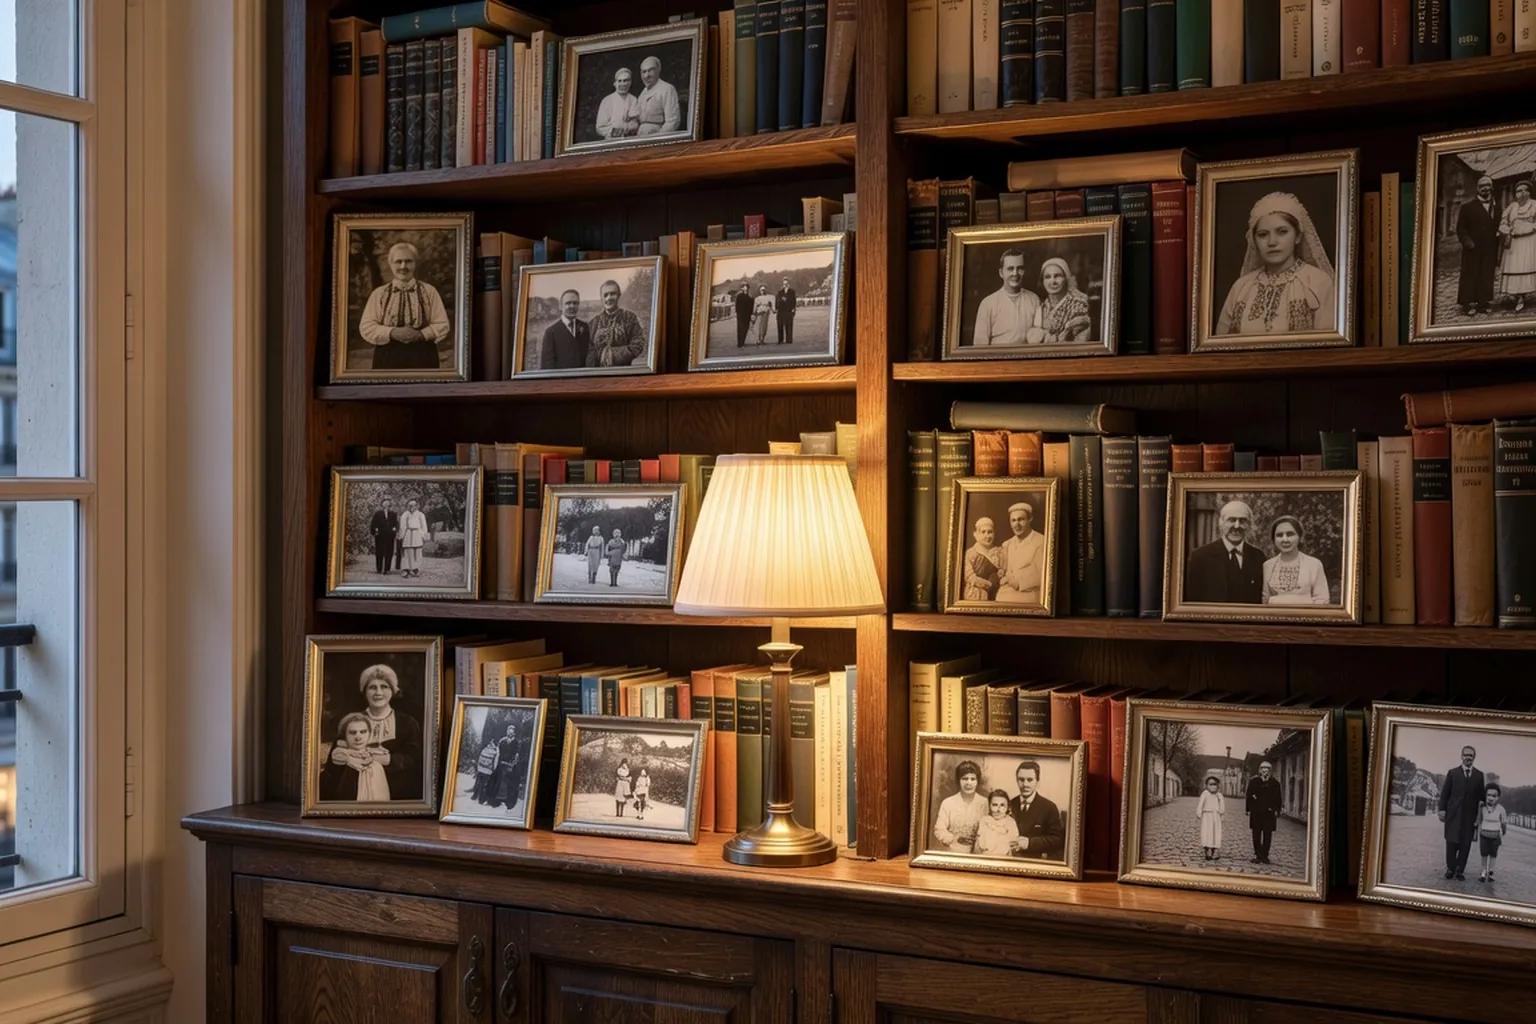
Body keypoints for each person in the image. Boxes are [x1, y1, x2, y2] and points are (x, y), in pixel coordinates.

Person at [1215, 192, 1336, 336]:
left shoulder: (1318, 282)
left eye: (1282, 232)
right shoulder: (1241, 287)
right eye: (1263, 234)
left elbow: (1329, 346)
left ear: (1297, 236)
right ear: (1254, 240)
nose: (1272, 242)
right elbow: (1221, 345)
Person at [329, 663, 424, 801]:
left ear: (393, 690)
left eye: (384, 687)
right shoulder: (352, 721)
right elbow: (332, 767)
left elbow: (416, 760)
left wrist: (391, 760)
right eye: (372, 687)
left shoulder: (407, 723)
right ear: (365, 691)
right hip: (354, 797)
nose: (378, 693)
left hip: (398, 798)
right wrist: (341, 758)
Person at [358, 241, 451, 370]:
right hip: (387, 356)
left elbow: (442, 324)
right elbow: (366, 327)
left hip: (423, 356)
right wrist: (392, 332)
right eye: (398, 261)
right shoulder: (379, 294)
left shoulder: (429, 291)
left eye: (408, 261)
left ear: (415, 263)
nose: (403, 266)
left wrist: (421, 334)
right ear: (390, 264)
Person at [1184, 500, 1266, 604]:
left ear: (1249, 525)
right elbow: (1192, 599)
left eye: (1242, 521)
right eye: (1231, 520)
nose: (1237, 526)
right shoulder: (1200, 556)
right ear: (1221, 523)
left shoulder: (1258, 557)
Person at [971, 248, 1041, 347]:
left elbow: (1038, 339)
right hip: (997, 360)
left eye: (1019, 268)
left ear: (1024, 271)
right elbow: (979, 347)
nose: (1015, 273)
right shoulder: (988, 303)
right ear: (1001, 272)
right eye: (1010, 268)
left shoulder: (1034, 299)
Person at [1456, 175, 1501, 315]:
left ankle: (1483, 302)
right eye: (1482, 186)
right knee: (1470, 274)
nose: (1485, 188)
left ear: (1491, 187)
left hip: (1490, 247)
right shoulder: (1467, 207)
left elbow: (1499, 225)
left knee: (1486, 274)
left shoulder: (1497, 206)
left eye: (1488, 185)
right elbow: (1461, 228)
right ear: (1477, 189)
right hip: (1473, 247)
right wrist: (1468, 242)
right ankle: (1467, 304)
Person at [1438, 744, 1485, 881]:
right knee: (1451, 842)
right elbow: (1444, 794)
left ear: (1474, 757)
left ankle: (1460, 870)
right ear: (1461, 756)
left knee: (1465, 844)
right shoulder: (1452, 773)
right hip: (1453, 815)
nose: (1468, 757)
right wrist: (1442, 809)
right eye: (1466, 755)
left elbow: (1481, 797)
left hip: (1469, 817)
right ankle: (1450, 868)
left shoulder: (1479, 775)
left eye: (1471, 755)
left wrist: (1480, 816)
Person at [319, 712, 390, 801]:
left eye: (363, 732)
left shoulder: (376, 760)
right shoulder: (339, 758)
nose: (358, 737)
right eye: (352, 733)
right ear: (344, 736)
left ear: (369, 734)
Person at [1262, 515, 1331, 605]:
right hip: (1275, 618)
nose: (1285, 539)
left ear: (1299, 536)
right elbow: (1265, 601)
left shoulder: (1314, 564)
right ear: (1274, 539)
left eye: (1290, 534)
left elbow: (1323, 600)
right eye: (1279, 535)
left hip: (1308, 618)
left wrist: (1277, 600)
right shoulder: (1268, 566)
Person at [1028, 257, 1093, 344]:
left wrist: (1047, 338)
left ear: (1066, 278)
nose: (1053, 281)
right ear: (1043, 282)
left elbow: (1080, 342)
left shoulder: (1078, 305)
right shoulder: (1042, 307)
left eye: (1057, 276)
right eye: (1047, 277)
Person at [1008, 760, 1064, 860]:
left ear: (1037, 781)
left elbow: (1058, 840)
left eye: (1030, 780)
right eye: (1021, 779)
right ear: (1017, 780)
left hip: (1035, 862)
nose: (1025, 784)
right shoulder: (1010, 804)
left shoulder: (1049, 807)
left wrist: (1030, 843)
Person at [994, 501, 1046, 605]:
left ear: (1030, 519)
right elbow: (1004, 572)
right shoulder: (1007, 544)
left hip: (1028, 596)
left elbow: (1043, 574)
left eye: (1021, 519)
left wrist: (1017, 582)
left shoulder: (1042, 542)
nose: (1016, 524)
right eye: (1013, 520)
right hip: (1004, 595)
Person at [587, 279, 647, 367]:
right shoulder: (593, 323)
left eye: (613, 294)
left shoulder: (630, 318)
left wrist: (612, 354)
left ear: (619, 295)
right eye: (605, 295)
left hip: (623, 371)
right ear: (601, 298)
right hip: (599, 372)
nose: (609, 298)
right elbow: (588, 350)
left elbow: (638, 344)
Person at [933, 760, 989, 852]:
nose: (968, 783)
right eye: (964, 778)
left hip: (977, 853)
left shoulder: (984, 803)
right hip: (953, 852)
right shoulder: (947, 803)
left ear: (977, 781)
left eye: (972, 779)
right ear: (958, 781)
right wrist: (955, 839)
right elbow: (939, 830)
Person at [1498, 179, 1536, 313]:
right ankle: (1519, 296)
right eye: (1519, 191)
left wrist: (1531, 227)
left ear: (1530, 192)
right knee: (1516, 267)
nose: (1522, 193)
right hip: (1514, 242)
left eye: (1525, 190)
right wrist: (1507, 230)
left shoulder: (1535, 205)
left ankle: (1527, 295)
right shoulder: (1512, 207)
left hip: (1531, 241)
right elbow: (1503, 223)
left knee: (1529, 266)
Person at [540, 289, 590, 370]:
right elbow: (547, 366)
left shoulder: (585, 327)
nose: (572, 306)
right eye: (568, 303)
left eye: (575, 303)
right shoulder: (551, 332)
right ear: (560, 306)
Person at [1244, 760, 1282, 865]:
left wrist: (1277, 810)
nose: (1265, 771)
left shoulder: (1275, 783)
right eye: (1263, 769)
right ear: (1260, 771)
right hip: (1256, 812)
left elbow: (1278, 798)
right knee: (1256, 834)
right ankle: (1258, 855)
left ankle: (1265, 856)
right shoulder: (1254, 782)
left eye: (1267, 770)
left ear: (1270, 771)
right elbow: (1249, 795)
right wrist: (1248, 809)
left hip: (1269, 813)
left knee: (1267, 834)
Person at [635, 56, 680, 136]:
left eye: (650, 70)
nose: (646, 75)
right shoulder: (642, 94)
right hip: (641, 137)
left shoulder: (667, 89)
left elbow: (672, 121)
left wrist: (657, 138)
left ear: (658, 70)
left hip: (657, 138)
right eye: (644, 72)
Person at [961, 517, 1001, 602]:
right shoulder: (970, 553)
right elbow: (970, 577)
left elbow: (1003, 571)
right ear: (976, 534)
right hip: (976, 593)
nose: (987, 536)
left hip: (998, 592)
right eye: (983, 532)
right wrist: (989, 584)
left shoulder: (999, 552)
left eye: (990, 532)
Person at [489, 722, 527, 811]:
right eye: (508, 730)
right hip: (500, 764)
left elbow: (517, 755)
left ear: (514, 732)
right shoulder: (502, 740)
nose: (509, 732)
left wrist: (512, 764)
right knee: (498, 781)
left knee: (507, 782)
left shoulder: (516, 742)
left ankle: (506, 801)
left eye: (511, 730)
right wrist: (496, 763)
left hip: (509, 765)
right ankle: (496, 800)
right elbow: (498, 753)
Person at [594, 67, 640, 139]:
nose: (623, 84)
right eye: (620, 81)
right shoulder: (607, 101)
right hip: (611, 141)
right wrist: (615, 131)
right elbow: (600, 127)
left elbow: (635, 123)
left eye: (625, 81)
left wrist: (628, 127)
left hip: (630, 140)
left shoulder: (634, 100)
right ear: (615, 83)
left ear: (630, 83)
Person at [972, 790, 1021, 855]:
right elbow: (978, 847)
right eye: (995, 805)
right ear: (989, 806)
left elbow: (1014, 847)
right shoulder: (984, 820)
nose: (998, 810)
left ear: (1007, 807)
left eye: (1002, 805)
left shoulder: (1011, 822)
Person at [1477, 783, 1508, 883]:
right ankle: (1483, 871)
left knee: (1493, 854)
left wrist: (1503, 832)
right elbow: (1478, 820)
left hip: (1495, 835)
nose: (1491, 798)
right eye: (1488, 795)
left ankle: (1491, 872)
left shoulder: (1501, 809)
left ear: (1498, 797)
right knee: (1484, 854)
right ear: (1485, 795)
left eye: (1494, 796)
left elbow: (1503, 822)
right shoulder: (1482, 808)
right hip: (1484, 834)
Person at [397, 498, 429, 578]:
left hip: (417, 534)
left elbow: (424, 526)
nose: (412, 507)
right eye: (410, 505)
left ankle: (415, 569)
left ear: (417, 506)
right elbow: (402, 526)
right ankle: (406, 569)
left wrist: (424, 535)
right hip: (408, 534)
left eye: (414, 505)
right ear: (407, 506)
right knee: (408, 552)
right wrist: (401, 536)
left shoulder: (421, 515)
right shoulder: (405, 514)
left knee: (417, 552)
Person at [1197, 775, 1225, 861]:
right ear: (1206, 785)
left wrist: (1222, 814)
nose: (1213, 786)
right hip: (1207, 816)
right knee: (1207, 832)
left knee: (1216, 833)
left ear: (1217, 786)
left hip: (1216, 816)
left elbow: (1222, 806)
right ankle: (1207, 849)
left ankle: (1215, 850)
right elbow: (1201, 803)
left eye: (1214, 784)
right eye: (1210, 784)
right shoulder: (1205, 794)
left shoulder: (1219, 795)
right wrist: (1199, 812)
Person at [369, 498, 399, 574]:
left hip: (390, 536)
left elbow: (396, 524)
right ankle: (379, 569)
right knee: (379, 552)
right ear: (382, 504)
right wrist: (375, 531)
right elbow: (373, 523)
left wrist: (395, 529)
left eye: (387, 503)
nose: (386, 504)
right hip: (380, 535)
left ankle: (387, 569)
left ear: (389, 505)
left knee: (389, 552)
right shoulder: (378, 514)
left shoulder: (393, 514)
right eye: (384, 503)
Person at [470, 737, 499, 805]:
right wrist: (493, 769)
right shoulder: (496, 751)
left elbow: (480, 758)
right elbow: (495, 762)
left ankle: (474, 796)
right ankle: (481, 799)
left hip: (480, 768)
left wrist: (478, 767)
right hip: (488, 770)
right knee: (484, 785)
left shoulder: (485, 749)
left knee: (479, 782)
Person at [775, 277, 797, 345]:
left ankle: (789, 340)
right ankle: (780, 340)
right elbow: (777, 301)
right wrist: (776, 308)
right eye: (784, 284)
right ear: (782, 284)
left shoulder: (792, 292)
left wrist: (793, 309)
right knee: (780, 326)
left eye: (786, 284)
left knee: (789, 326)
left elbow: (794, 301)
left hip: (789, 311)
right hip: (781, 311)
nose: (785, 285)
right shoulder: (779, 292)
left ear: (788, 284)